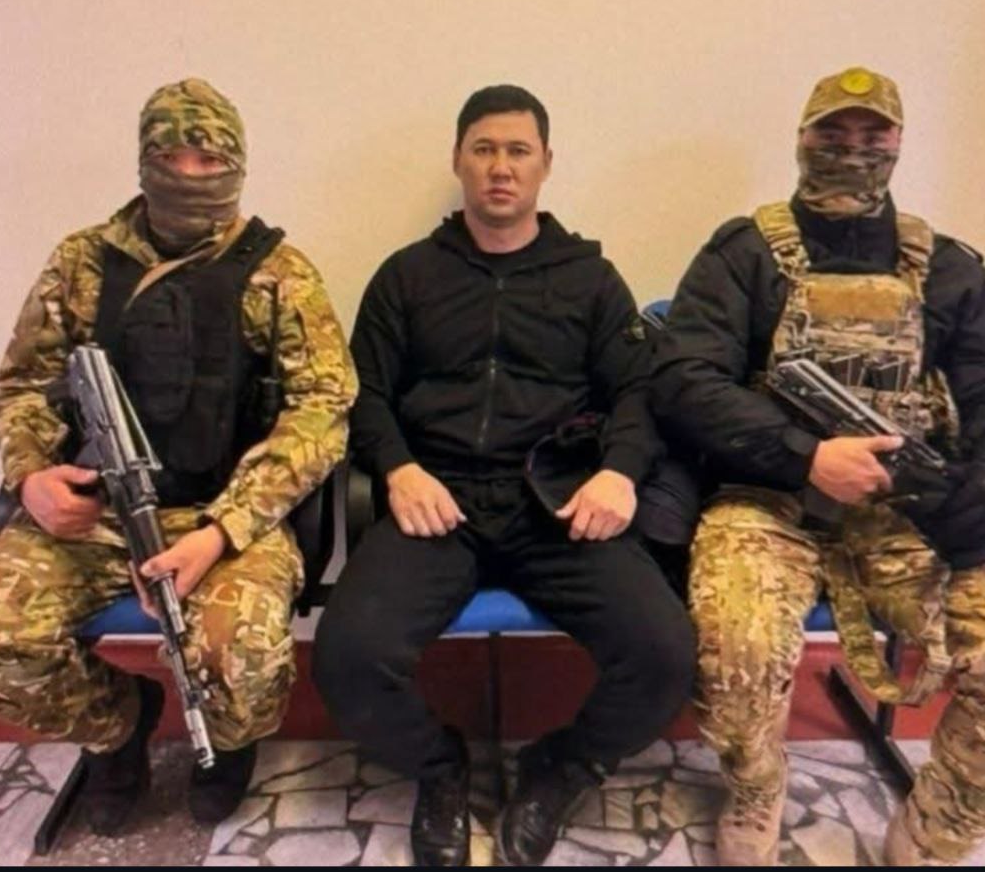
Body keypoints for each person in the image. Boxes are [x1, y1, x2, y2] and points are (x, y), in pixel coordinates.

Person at [0, 78, 357, 832]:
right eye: (171, 157)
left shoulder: (279, 273)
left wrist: (223, 528)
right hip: (93, 515)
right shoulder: (82, 263)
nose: (190, 175)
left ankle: (227, 743)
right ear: (144, 161)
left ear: (237, 165)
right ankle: (119, 724)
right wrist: (31, 477)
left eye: (209, 160)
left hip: (224, 517)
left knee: (245, 657)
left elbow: (322, 411)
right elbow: (24, 385)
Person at [313, 84, 695, 867]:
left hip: (554, 503)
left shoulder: (590, 280)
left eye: (518, 151)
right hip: (437, 504)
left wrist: (619, 474)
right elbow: (364, 394)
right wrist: (398, 469)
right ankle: (440, 769)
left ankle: (561, 769)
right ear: (458, 160)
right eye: (483, 149)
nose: (500, 167)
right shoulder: (407, 277)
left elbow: (638, 392)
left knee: (666, 655)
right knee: (346, 659)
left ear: (545, 164)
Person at [651, 66, 985, 866]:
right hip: (769, 503)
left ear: (899, 143)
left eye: (873, 134)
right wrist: (808, 457)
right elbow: (684, 381)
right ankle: (756, 787)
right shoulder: (744, 253)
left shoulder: (948, 267)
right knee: (734, 647)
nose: (852, 149)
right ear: (803, 139)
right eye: (833, 132)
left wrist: (963, 509)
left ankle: (940, 819)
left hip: (907, 515)